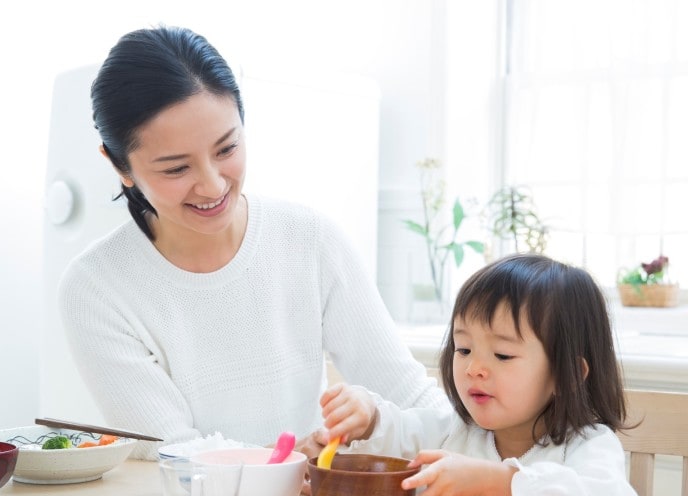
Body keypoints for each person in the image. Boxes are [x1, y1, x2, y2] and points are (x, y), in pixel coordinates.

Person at [57, 25, 447, 461]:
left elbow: (411, 396)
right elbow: (171, 451)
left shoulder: (310, 240)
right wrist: (281, 463)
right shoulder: (95, 287)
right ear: (120, 166)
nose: (212, 185)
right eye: (175, 169)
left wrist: (505, 465)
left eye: (226, 149)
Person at [319, 254, 641, 496]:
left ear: (567, 375)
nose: (474, 368)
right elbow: (399, 433)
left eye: (502, 354)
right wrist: (368, 417)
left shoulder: (588, 445)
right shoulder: (451, 431)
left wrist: (491, 480)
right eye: (464, 349)